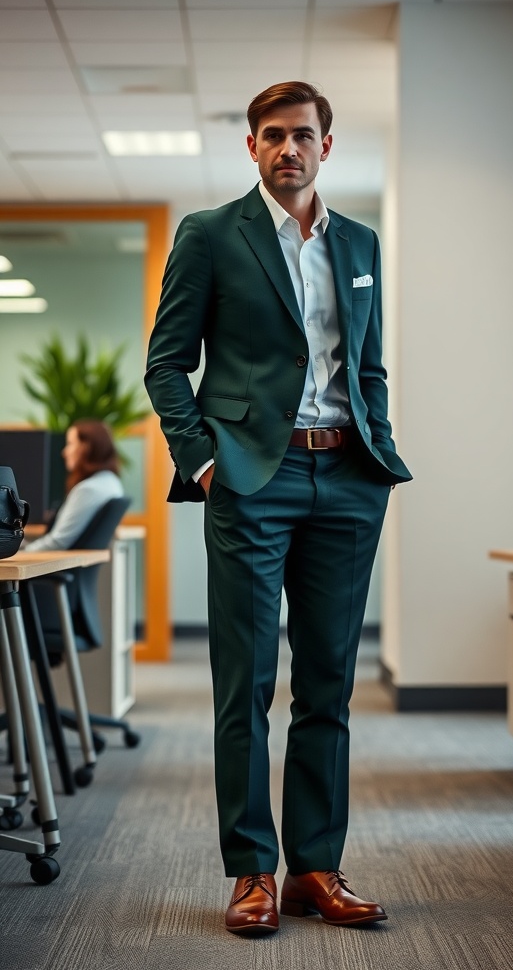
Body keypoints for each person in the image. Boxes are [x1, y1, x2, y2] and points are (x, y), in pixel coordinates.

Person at [145, 81, 412, 936]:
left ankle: (316, 869)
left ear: (326, 146)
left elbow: (366, 366)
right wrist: (206, 459)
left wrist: (377, 446)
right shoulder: (211, 235)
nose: (288, 148)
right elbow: (165, 365)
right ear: (252, 147)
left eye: (303, 135)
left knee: (329, 684)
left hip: (346, 482)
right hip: (253, 483)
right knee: (246, 685)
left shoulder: (360, 243)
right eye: (272, 135)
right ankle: (251, 872)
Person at [26, 419, 123, 552]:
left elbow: (58, 542)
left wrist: (23, 552)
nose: (64, 452)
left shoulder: (88, 490)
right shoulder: (111, 482)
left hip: (58, 567)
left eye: (70, 444)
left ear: (86, 448)